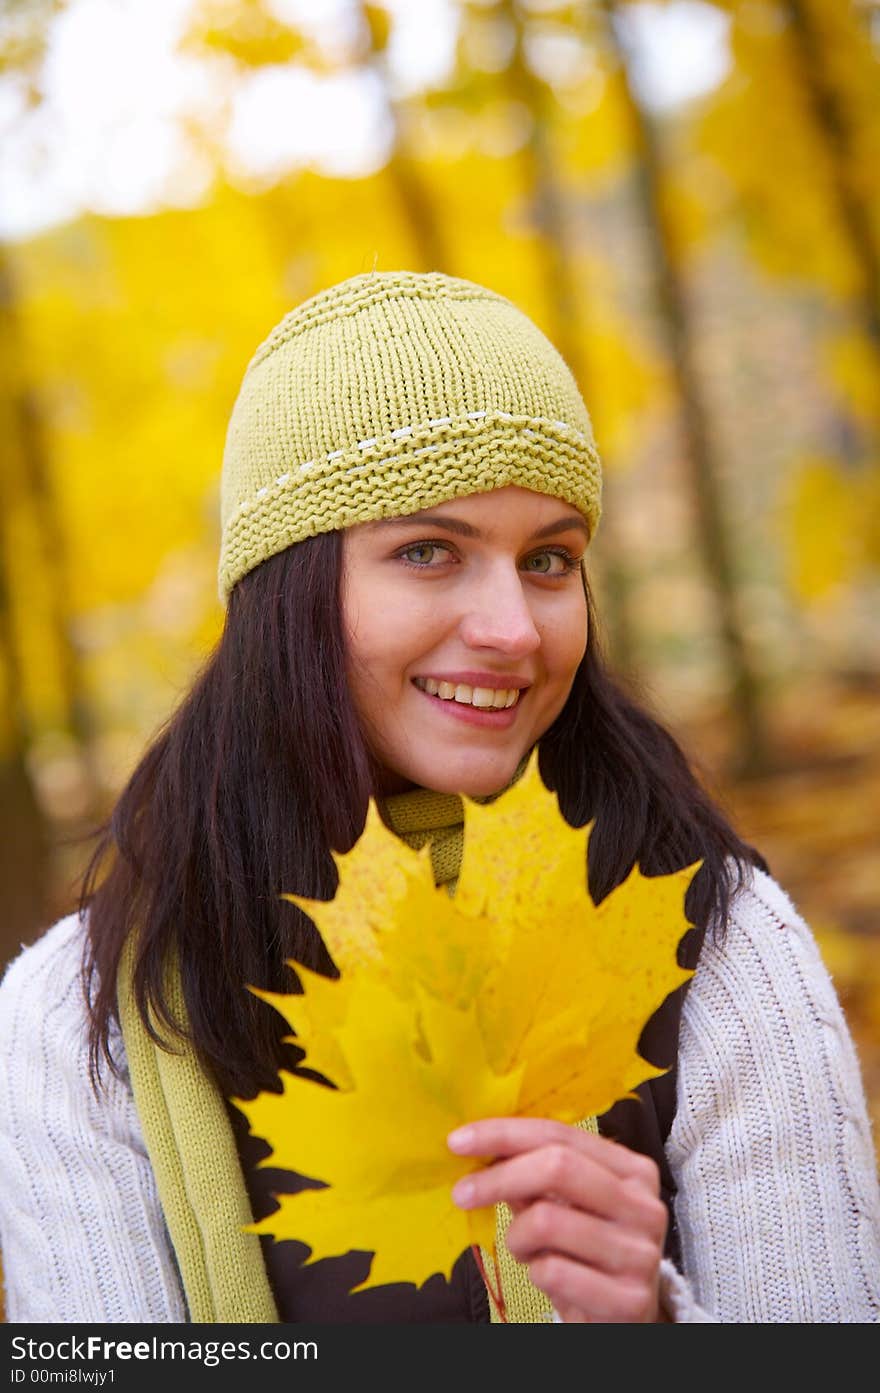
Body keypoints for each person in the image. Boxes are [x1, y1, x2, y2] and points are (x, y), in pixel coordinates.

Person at [1, 269, 879, 1326]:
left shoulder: (719, 946)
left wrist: (648, 1333)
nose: (513, 627)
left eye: (549, 559)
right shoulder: (80, 1018)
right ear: (287, 594)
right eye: (428, 551)